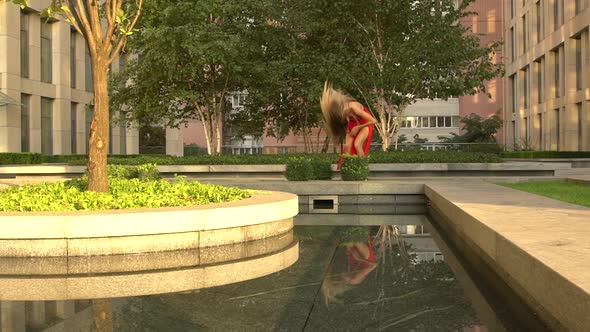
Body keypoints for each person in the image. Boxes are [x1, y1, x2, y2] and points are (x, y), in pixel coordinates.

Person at [320, 81, 377, 169]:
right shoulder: (342, 111)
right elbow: (347, 121)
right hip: (354, 124)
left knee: (357, 144)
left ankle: (363, 167)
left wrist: (358, 127)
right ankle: (346, 167)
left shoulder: (354, 108)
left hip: (365, 123)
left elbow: (373, 121)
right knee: (347, 147)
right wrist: (347, 131)